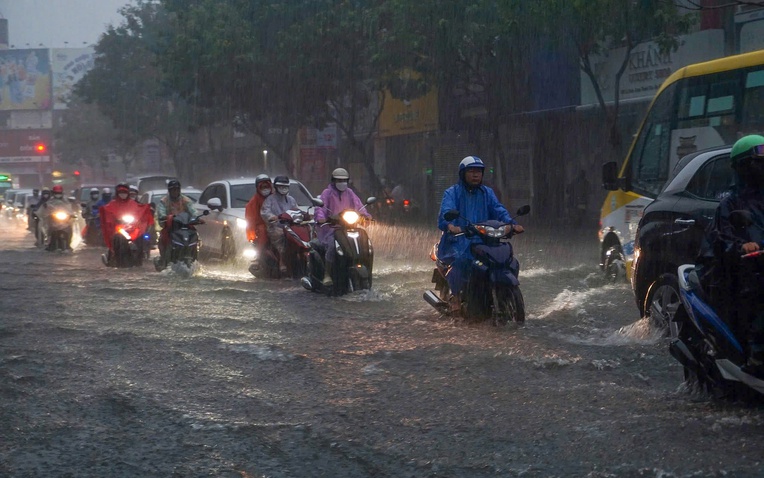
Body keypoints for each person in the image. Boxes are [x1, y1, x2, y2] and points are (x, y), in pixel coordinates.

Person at [698, 134, 764, 377]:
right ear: (745, 167)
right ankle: (757, 355)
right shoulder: (730, 204)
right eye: (759, 162)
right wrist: (743, 246)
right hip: (743, 271)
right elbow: (722, 239)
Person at [437, 156, 523, 311]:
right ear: (463, 173)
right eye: (471, 171)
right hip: (458, 241)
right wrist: (451, 226)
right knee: (461, 261)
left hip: (484, 239)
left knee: (509, 260)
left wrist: (512, 224)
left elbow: (498, 210)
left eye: (478, 171)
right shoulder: (452, 193)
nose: (475, 175)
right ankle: (456, 299)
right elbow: (445, 213)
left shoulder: (487, 193)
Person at [314, 167, 371, 287]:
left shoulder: (350, 193)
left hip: (350, 227)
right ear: (333, 181)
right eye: (339, 180)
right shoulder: (327, 193)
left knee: (366, 245)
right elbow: (320, 208)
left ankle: (368, 270)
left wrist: (366, 216)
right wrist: (321, 218)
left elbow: (359, 206)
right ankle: (327, 274)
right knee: (331, 246)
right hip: (331, 229)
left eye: (344, 180)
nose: (342, 183)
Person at [99, 183, 154, 265]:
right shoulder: (112, 204)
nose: (123, 194)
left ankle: (140, 256)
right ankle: (112, 255)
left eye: (124, 192)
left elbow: (140, 210)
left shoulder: (133, 204)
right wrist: (115, 219)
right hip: (118, 228)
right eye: (121, 192)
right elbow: (107, 213)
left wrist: (147, 210)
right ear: (117, 193)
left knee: (140, 236)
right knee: (116, 238)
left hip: (132, 227)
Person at [261, 175, 301, 275]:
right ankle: (282, 260)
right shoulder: (270, 199)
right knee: (281, 236)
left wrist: (302, 216)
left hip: (291, 226)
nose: (283, 189)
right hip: (275, 226)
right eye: (280, 186)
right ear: (275, 187)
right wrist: (272, 217)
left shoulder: (291, 199)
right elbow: (265, 212)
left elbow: (296, 210)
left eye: (285, 186)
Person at [155, 179, 197, 268]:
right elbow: (161, 213)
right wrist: (165, 217)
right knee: (164, 237)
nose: (175, 192)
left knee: (195, 235)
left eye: (177, 189)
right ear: (169, 191)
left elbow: (193, 211)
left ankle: (194, 256)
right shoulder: (164, 201)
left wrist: (196, 217)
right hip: (171, 227)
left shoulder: (186, 200)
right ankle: (165, 260)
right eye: (173, 190)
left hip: (186, 226)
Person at [244, 174, 273, 263]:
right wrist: (251, 234)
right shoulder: (253, 202)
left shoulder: (275, 198)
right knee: (262, 230)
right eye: (262, 187)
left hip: (278, 223)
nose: (265, 189)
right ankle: (260, 255)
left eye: (267, 186)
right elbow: (250, 219)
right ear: (258, 188)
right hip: (262, 225)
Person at [36, 185, 74, 251]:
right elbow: (43, 211)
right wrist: (46, 213)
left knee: (69, 229)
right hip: (53, 221)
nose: (58, 195)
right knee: (49, 229)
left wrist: (71, 214)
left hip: (65, 222)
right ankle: (49, 242)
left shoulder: (66, 201)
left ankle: (68, 244)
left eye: (59, 193)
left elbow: (70, 209)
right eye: (56, 193)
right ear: (53, 193)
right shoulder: (49, 201)